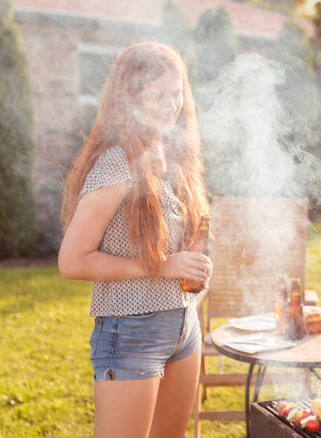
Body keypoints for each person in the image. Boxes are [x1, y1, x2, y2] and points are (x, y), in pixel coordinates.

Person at [59, 42, 211, 438]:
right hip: (130, 332)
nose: (171, 104)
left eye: (177, 92)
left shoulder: (174, 153)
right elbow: (72, 261)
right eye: (157, 95)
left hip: (184, 327)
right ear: (129, 98)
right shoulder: (116, 163)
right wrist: (162, 266)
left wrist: (194, 262)